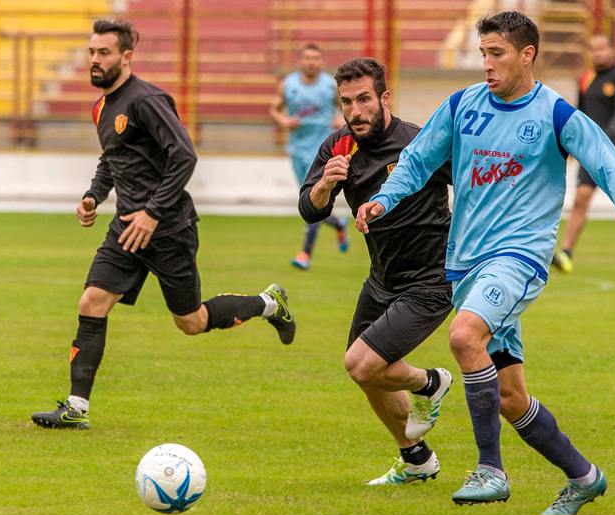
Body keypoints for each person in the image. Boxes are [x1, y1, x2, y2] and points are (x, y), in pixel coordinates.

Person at [355, 11, 615, 515]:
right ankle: (584, 478)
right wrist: (383, 198)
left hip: (518, 258)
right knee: (509, 397)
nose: (486, 63)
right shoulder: (462, 106)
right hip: (465, 265)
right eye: (483, 53)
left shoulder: (557, 115)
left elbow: (613, 172)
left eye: (496, 53)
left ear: (527, 55)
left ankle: (490, 470)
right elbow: (416, 160)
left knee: (464, 336)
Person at [31, 19, 295, 430]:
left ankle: (268, 303)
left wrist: (153, 212)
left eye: (104, 53)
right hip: (126, 228)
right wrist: (93, 195)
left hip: (169, 228)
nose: (95, 60)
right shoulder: (101, 107)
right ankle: (76, 409)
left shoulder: (147, 100)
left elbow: (184, 156)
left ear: (126, 57)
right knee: (91, 303)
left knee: (191, 322)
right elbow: (111, 160)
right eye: (91, 52)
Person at [299, 57, 454, 485]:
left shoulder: (418, 143)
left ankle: (430, 383)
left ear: (385, 98)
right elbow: (309, 210)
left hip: (430, 280)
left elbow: (475, 183)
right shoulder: (338, 147)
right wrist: (325, 184)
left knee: (362, 364)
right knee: (368, 376)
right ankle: (416, 460)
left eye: (364, 99)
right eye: (347, 102)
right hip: (382, 279)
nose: (355, 111)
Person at [553, 34, 615, 273]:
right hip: (591, 151)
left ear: (611, 50)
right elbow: (578, 114)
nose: (598, 53)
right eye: (593, 50)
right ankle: (566, 252)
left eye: (601, 49)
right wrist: (570, 142)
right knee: (581, 198)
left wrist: (608, 136)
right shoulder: (585, 79)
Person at [270, 43, 349, 270]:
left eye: (315, 58)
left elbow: (346, 106)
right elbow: (274, 109)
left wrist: (341, 120)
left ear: (321, 62)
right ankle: (338, 224)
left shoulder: (329, 86)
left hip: (322, 149)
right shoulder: (289, 84)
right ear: (301, 61)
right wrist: (284, 121)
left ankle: (305, 253)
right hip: (297, 149)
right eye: (307, 58)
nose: (311, 62)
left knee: (312, 196)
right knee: (308, 199)